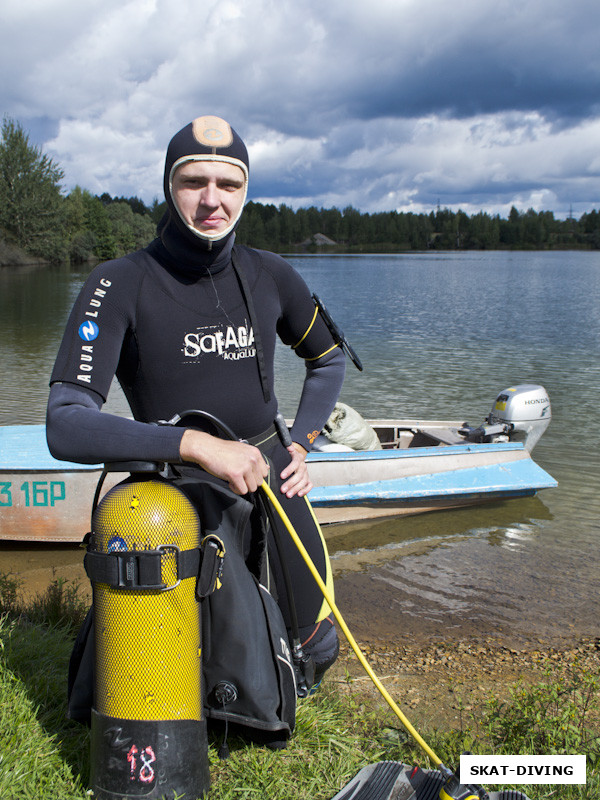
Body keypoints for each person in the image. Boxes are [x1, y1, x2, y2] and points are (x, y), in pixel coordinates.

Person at [46, 114, 346, 682]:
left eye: (228, 184)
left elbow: (327, 362)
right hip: (175, 494)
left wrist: (302, 443)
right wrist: (196, 445)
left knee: (312, 646)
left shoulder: (271, 275)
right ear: (168, 185)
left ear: (245, 192)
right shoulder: (118, 283)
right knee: (184, 672)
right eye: (194, 182)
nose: (212, 200)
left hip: (272, 483)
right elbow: (66, 424)